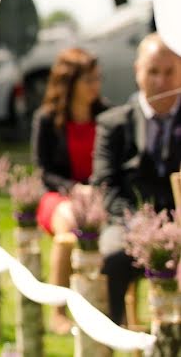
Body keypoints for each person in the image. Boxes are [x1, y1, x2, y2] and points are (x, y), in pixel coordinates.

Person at [91, 33, 181, 324]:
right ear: (137, 72)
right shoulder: (114, 123)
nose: (161, 81)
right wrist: (138, 225)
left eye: (170, 72)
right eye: (153, 71)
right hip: (129, 224)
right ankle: (112, 335)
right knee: (113, 257)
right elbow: (105, 185)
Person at [30, 48, 108, 334]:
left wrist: (94, 190)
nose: (95, 86)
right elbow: (43, 171)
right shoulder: (46, 120)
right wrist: (74, 190)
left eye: (98, 79)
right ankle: (58, 311)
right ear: (70, 83)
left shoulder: (107, 115)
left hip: (98, 195)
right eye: (89, 80)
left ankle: (111, 307)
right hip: (57, 196)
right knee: (68, 226)